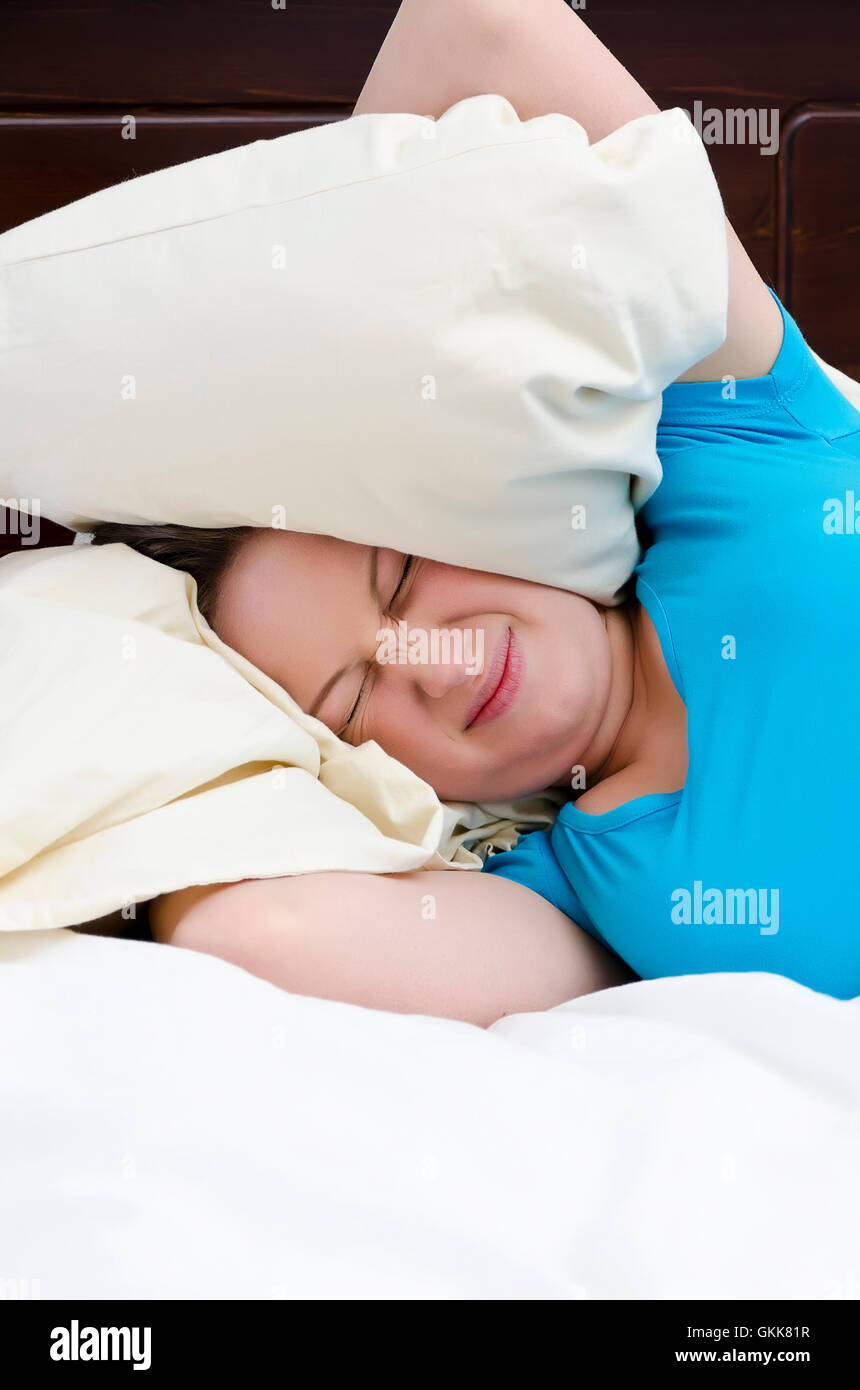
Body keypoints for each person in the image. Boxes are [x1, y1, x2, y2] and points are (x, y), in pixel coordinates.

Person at [94, 0, 860, 1023]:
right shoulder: (599, 897)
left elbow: (474, 27)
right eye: (351, 699)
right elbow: (249, 933)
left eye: (400, 574)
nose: (424, 658)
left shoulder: (729, 435)